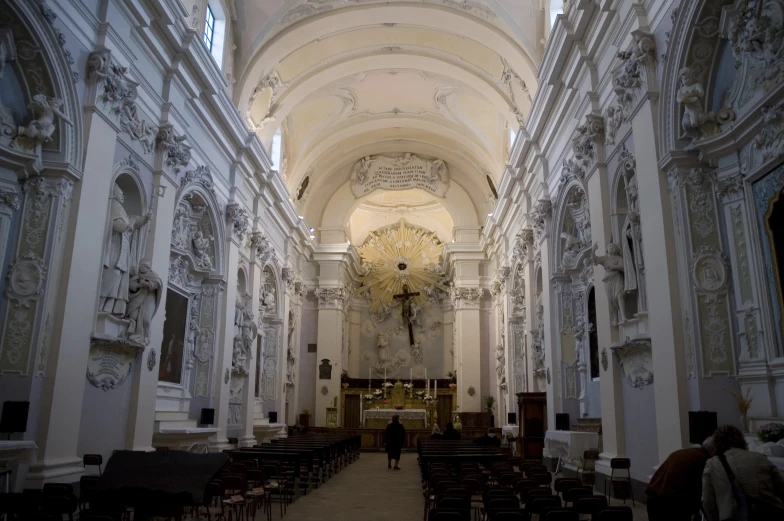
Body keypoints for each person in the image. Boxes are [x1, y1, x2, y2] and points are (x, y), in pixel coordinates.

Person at [702, 425, 784, 521]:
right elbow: (781, 488)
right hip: (769, 514)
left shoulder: (712, 464)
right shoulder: (760, 458)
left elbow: (708, 501)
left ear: (716, 443)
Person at [646, 437, 714, 521]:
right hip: (672, 504)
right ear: (712, 449)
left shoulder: (681, 452)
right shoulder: (703, 459)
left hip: (654, 499)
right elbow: (700, 489)